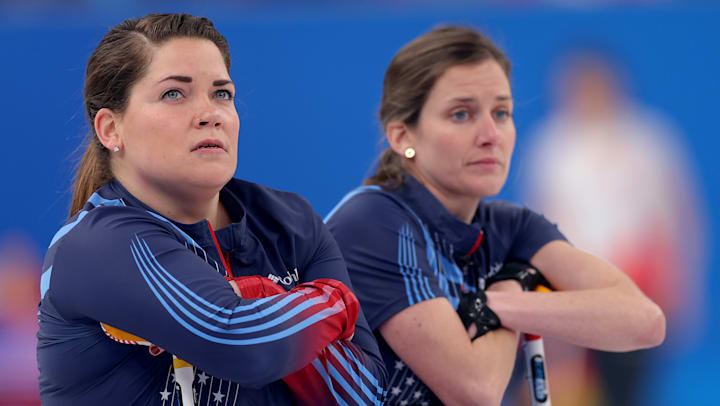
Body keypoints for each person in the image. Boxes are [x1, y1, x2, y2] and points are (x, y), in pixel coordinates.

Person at [36, 13, 386, 406]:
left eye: (222, 94)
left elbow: (364, 393)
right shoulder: (94, 247)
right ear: (110, 130)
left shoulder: (291, 222)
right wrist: (335, 301)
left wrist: (259, 292)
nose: (210, 114)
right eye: (174, 94)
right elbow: (241, 342)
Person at [325, 25, 665, 406]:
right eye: (461, 114)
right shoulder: (371, 224)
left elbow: (645, 322)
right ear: (403, 136)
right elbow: (476, 390)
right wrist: (513, 286)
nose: (491, 134)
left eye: (502, 112)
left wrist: (500, 302)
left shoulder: (511, 226)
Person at [520, 47, 706, 406]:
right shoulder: (552, 144)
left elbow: (680, 216)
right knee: (574, 386)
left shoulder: (650, 139)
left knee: (628, 387)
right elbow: (537, 222)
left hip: (635, 283)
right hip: (574, 286)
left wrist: (685, 285)